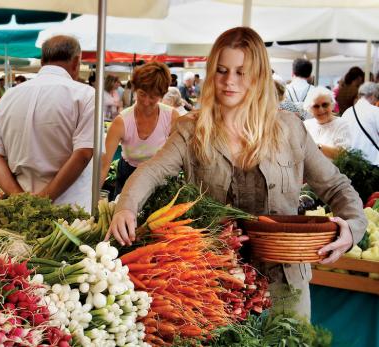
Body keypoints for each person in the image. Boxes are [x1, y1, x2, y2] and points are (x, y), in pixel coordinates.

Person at [107, 27, 366, 319]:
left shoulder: (290, 128)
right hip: (214, 285)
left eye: (241, 72)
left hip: (285, 287)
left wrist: (353, 227)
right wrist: (126, 207)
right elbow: (152, 172)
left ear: (257, 75)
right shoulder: (192, 129)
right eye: (221, 70)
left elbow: (336, 186)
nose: (229, 81)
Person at [0, 35, 94, 211]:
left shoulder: (9, 97)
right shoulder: (86, 95)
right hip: (71, 213)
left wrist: (19, 198)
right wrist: (41, 201)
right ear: (76, 62)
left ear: (43, 60)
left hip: (20, 210)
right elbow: (83, 153)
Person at [99, 62, 177, 196]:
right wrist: (92, 200)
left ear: (162, 94)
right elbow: (104, 165)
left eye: (153, 97)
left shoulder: (171, 116)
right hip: (128, 175)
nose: (146, 102)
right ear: (135, 89)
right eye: (142, 94)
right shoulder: (121, 122)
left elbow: (178, 155)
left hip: (161, 178)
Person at [303, 86, 351, 159]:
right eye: (316, 106)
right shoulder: (306, 125)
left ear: (332, 105)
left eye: (325, 105)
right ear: (310, 109)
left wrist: (317, 147)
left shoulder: (342, 124)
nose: (321, 110)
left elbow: (343, 155)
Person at [341, 82, 379, 165]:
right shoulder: (375, 111)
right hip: (372, 162)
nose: (376, 101)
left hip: (351, 163)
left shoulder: (347, 113)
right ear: (372, 95)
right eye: (377, 97)